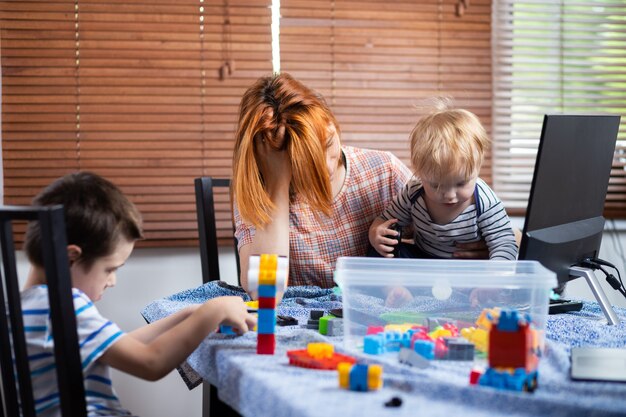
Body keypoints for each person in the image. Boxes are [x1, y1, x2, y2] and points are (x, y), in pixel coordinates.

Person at [21, 172, 256, 416]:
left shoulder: (29, 306)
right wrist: (211, 311)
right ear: (71, 258)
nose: (112, 281)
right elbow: (150, 363)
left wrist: (188, 314)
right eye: (110, 269)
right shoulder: (63, 308)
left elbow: (122, 343)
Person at [231, 73, 490, 294]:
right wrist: (277, 183)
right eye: (307, 162)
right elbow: (263, 291)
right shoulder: (259, 194)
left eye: (330, 143)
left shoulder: (382, 171)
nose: (328, 167)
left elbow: (480, 218)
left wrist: (479, 246)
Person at [369, 98, 518, 261]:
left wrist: (491, 280)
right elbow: (385, 221)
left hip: (468, 265)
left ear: (478, 167)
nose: (449, 195)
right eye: (436, 185)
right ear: (419, 173)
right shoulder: (413, 192)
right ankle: (395, 286)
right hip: (424, 259)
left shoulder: (484, 201)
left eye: (461, 183)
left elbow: (505, 243)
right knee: (380, 250)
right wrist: (376, 233)